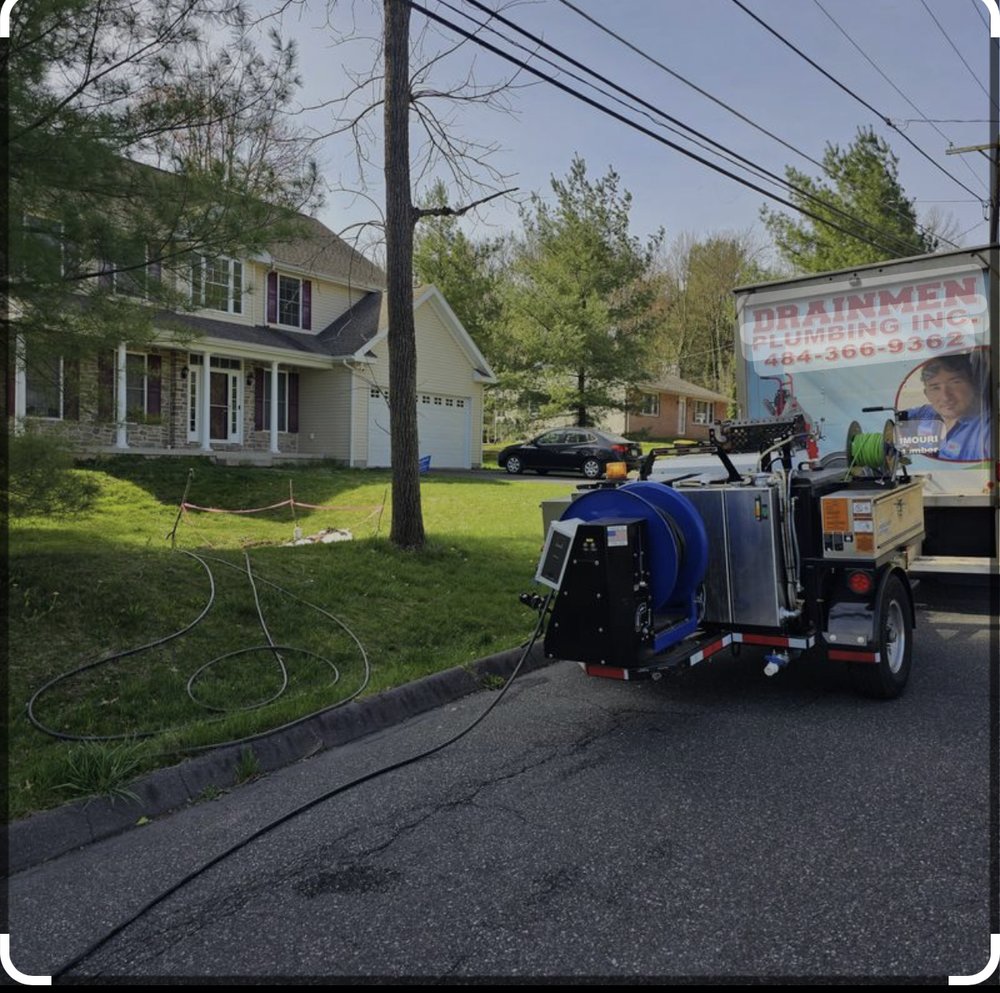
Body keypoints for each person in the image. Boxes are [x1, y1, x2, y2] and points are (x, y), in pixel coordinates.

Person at [902, 354, 990, 461]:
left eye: (955, 383)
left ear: (973, 386)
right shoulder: (926, 413)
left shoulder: (986, 429)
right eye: (935, 388)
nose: (945, 397)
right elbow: (890, 419)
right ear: (927, 394)